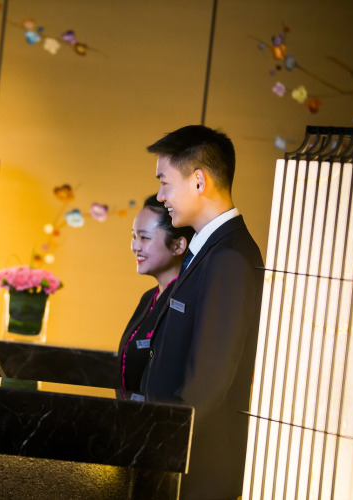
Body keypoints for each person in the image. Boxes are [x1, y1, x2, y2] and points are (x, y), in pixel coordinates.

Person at [140, 125, 264, 500]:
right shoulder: (208, 249)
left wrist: (163, 447)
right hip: (180, 457)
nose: (161, 196)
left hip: (198, 467)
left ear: (198, 180)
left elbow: (208, 380)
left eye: (165, 182)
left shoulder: (229, 256)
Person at [118, 195, 194, 397]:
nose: (135, 246)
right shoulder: (149, 298)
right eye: (134, 236)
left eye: (144, 237)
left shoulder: (185, 303)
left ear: (178, 245)